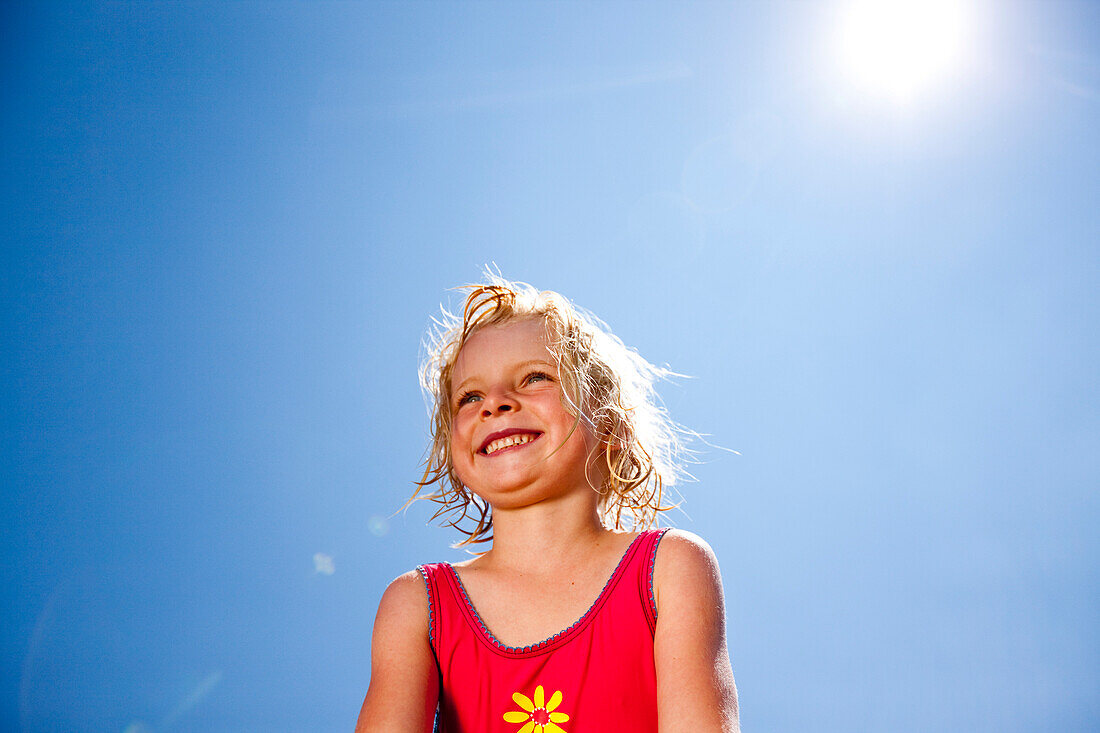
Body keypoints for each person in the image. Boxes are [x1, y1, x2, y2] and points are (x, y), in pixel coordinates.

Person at [356, 273, 739, 732]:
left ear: (609, 426)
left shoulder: (669, 569)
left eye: (534, 377)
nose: (494, 403)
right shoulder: (418, 604)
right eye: (469, 396)